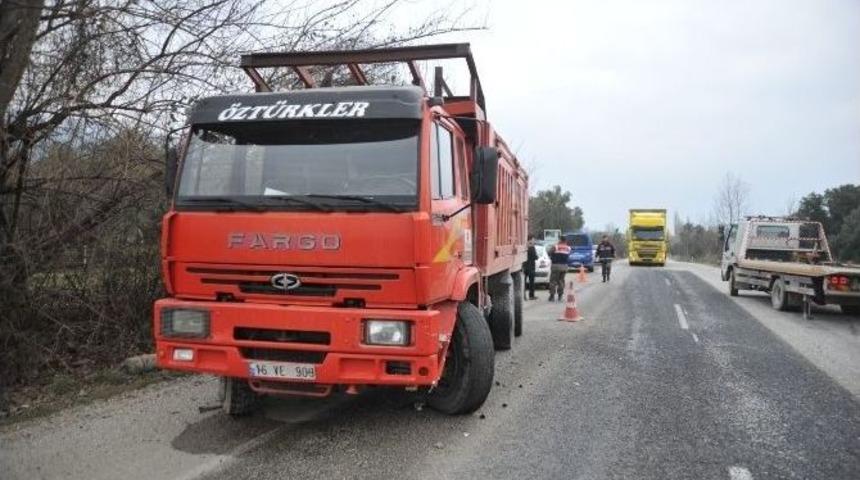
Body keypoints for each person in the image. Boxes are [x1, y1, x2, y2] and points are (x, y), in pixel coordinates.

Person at [546, 236, 571, 301]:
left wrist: (552, 256)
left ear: (560, 240)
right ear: (565, 241)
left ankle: (552, 296)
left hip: (555, 266)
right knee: (561, 281)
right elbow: (568, 256)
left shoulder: (556, 247)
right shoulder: (568, 248)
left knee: (553, 281)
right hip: (564, 266)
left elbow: (548, 252)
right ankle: (560, 296)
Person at [522, 235, 538, 300]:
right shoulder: (532, 247)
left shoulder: (524, 247)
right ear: (530, 239)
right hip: (531, 267)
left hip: (524, 266)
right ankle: (531, 296)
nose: (534, 241)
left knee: (524, 283)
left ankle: (524, 296)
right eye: (533, 239)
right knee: (531, 283)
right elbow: (535, 257)